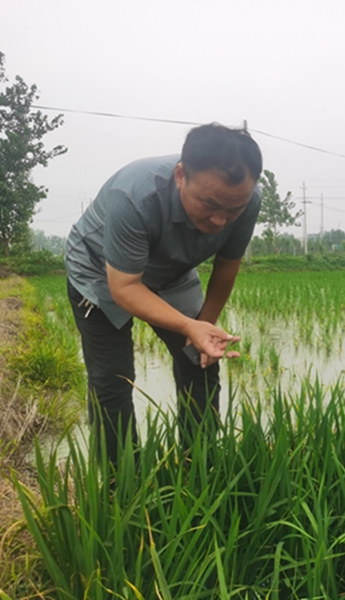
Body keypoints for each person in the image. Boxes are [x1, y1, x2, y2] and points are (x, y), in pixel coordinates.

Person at [65, 123, 262, 464]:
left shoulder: (248, 199)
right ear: (181, 175)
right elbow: (125, 287)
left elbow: (227, 264)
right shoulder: (133, 195)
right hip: (100, 273)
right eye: (210, 204)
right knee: (112, 379)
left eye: (233, 210)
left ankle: (198, 466)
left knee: (201, 360)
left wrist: (204, 326)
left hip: (172, 274)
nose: (220, 220)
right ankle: (120, 480)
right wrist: (188, 326)